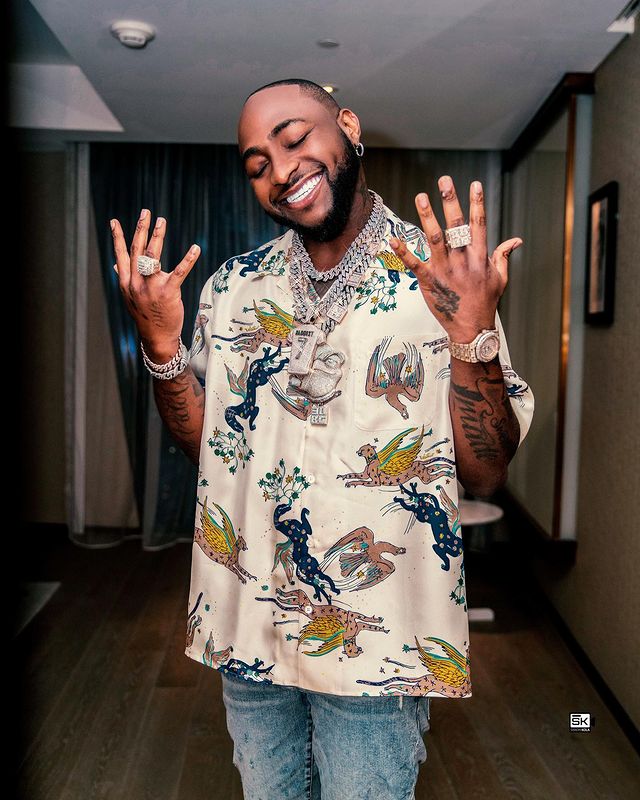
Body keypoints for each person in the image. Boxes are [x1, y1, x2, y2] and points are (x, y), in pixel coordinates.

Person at [110, 78, 534, 800]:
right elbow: (209, 452)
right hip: (248, 625)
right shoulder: (234, 289)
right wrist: (161, 349)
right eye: (256, 164)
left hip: (375, 644)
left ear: (348, 127)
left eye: (295, 138)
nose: (280, 169)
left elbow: (487, 471)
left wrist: (471, 340)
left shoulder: (437, 281)